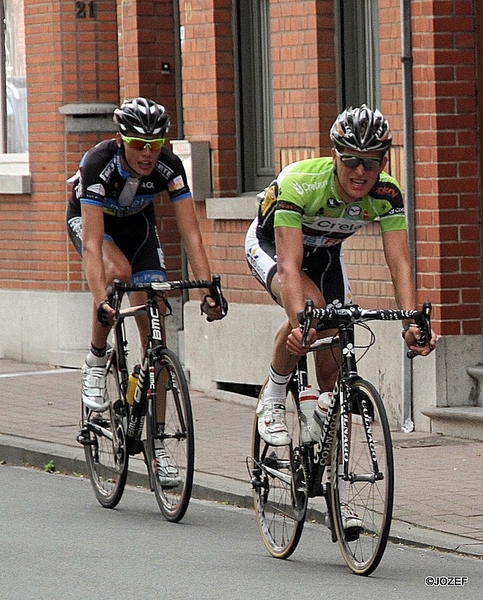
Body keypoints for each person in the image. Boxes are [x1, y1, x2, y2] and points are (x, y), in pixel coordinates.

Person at [245, 105, 437, 530]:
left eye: (372, 161)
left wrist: (411, 322)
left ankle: (340, 495)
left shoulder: (387, 193)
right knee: (316, 317)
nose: (360, 170)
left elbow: (400, 262)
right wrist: (301, 324)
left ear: (383, 163)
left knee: (336, 388)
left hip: (327, 255)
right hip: (276, 248)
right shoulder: (302, 181)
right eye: (351, 158)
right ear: (335, 155)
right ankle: (273, 399)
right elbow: (292, 268)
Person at [67, 97, 226, 485]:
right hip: (94, 227)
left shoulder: (170, 166)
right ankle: (96, 359)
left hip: (138, 228)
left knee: (155, 320)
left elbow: (191, 234)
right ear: (121, 141)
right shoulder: (98, 164)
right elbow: (91, 244)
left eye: (154, 146)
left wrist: (207, 286)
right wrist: (100, 299)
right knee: (117, 272)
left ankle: (156, 445)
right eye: (138, 145)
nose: (147, 154)